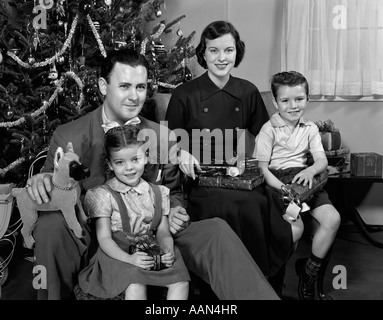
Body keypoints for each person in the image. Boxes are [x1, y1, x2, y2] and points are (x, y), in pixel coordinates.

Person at [24, 47, 279, 300]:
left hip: (154, 234)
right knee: (50, 226)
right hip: (100, 239)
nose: (134, 96)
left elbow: (173, 190)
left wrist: (176, 210)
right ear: (103, 86)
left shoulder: (162, 136)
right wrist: (42, 180)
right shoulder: (68, 135)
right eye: (124, 86)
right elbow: (54, 184)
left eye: (141, 87)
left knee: (216, 231)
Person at [165, 20, 292, 277]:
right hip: (200, 178)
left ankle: (258, 278)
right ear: (203, 53)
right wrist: (180, 153)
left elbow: (267, 137)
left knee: (258, 201)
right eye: (214, 50)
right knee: (231, 205)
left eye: (228, 50)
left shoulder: (247, 91)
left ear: (237, 52)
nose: (221, 58)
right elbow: (165, 142)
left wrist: (253, 159)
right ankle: (227, 280)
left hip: (236, 175)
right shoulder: (184, 94)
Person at [254, 71, 341, 300]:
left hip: (306, 181)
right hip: (279, 184)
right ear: (275, 102)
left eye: (299, 99)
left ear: (307, 98)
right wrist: (284, 190)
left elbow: (321, 160)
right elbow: (262, 169)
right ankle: (275, 280)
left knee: (333, 219)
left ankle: (308, 273)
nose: (293, 106)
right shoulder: (268, 130)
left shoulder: (310, 128)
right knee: (294, 230)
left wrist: (311, 170)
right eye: (285, 100)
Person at [77, 125, 189, 300]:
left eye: (135, 159)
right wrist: (129, 259)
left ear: (146, 157)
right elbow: (104, 238)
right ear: (110, 164)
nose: (129, 168)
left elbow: (163, 231)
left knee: (180, 281)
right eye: (120, 162)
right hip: (117, 254)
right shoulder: (103, 195)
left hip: (150, 249)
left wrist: (167, 250)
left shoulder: (158, 193)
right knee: (135, 283)